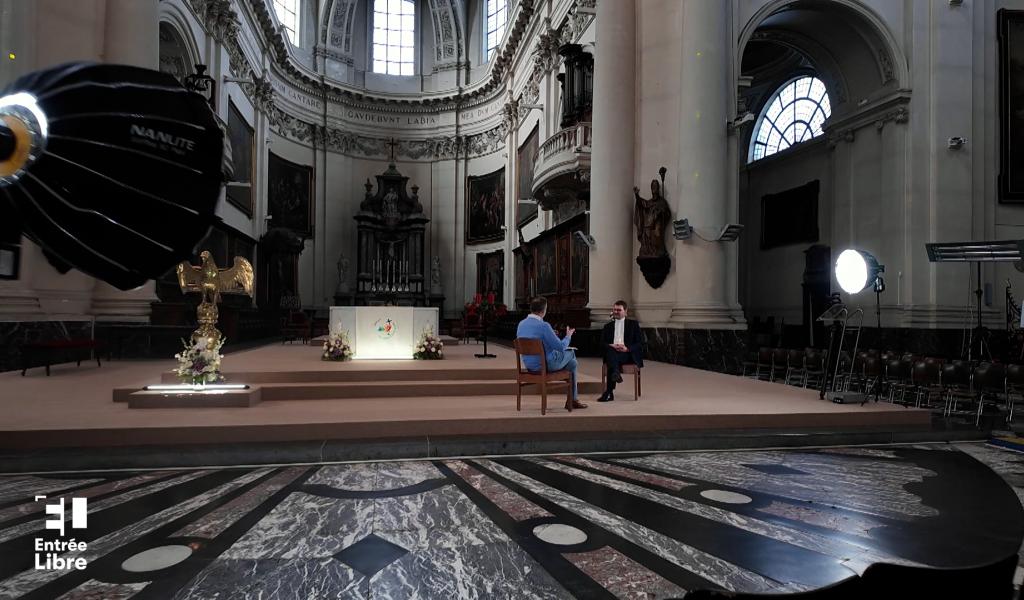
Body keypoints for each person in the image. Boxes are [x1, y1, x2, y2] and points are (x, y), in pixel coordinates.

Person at [516, 296, 587, 409]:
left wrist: (551, 334)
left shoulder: (521, 324)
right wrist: (568, 336)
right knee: (571, 353)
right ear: (544, 310)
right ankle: (573, 400)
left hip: (530, 365)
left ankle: (573, 399)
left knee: (572, 364)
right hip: (545, 365)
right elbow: (560, 347)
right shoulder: (544, 326)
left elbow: (533, 338)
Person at [598, 300, 645, 402]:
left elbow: (640, 343)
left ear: (625, 311)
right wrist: (611, 345)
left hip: (627, 354)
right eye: (614, 310)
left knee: (611, 359)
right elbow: (601, 343)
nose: (616, 312)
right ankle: (615, 374)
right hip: (613, 352)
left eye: (619, 310)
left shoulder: (633, 324)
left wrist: (627, 348)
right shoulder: (607, 326)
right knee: (611, 352)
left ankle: (609, 392)